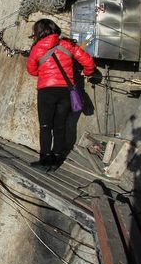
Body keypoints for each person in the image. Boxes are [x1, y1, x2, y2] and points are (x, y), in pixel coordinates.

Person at [25, 18, 96, 166]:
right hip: (66, 91)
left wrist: (45, 74)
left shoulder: (37, 48)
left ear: (38, 32)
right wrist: (87, 73)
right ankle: (57, 157)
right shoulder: (67, 44)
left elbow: (31, 70)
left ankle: (45, 159)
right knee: (60, 125)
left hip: (46, 91)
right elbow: (89, 62)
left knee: (45, 126)